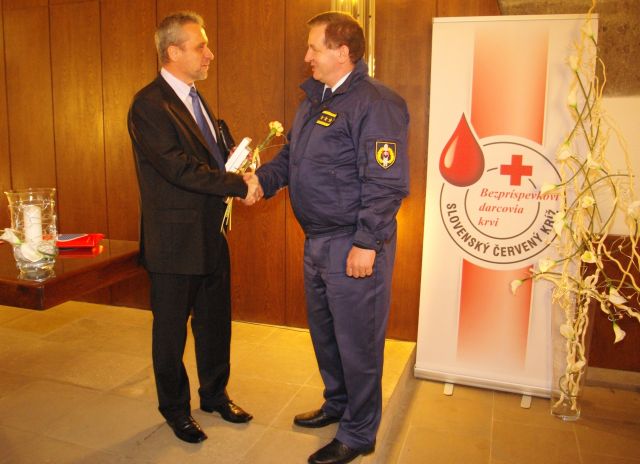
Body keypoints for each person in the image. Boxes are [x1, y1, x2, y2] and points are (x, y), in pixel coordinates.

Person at [255, 11, 409, 464]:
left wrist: (366, 243)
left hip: (352, 242)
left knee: (359, 343)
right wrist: (261, 181)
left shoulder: (376, 102)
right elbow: (292, 158)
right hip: (318, 241)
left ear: (342, 53)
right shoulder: (314, 100)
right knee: (327, 335)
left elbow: (386, 181)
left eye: (314, 48)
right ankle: (338, 404)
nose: (307, 57)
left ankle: (359, 433)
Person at [127, 11, 258, 444]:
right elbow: (179, 168)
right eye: (201, 46)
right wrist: (237, 185)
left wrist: (241, 167)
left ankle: (215, 395)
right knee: (170, 333)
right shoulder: (149, 105)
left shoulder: (196, 99)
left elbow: (212, 158)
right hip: (173, 241)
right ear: (173, 51)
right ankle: (175, 409)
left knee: (215, 322)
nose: (209, 54)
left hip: (210, 232)